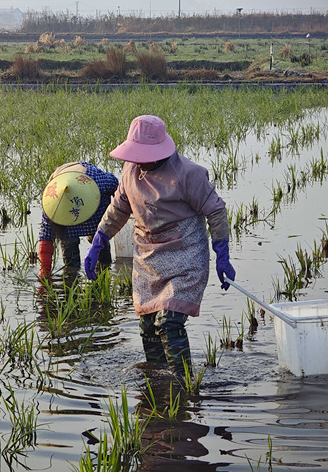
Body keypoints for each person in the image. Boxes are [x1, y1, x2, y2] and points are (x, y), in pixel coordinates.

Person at [84, 115, 235, 374]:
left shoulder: (189, 174)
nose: (140, 160)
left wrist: (222, 253)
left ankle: (184, 383)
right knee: (148, 326)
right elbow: (118, 208)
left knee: (169, 322)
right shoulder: (130, 171)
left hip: (185, 255)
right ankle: (157, 383)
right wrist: (99, 241)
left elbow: (216, 211)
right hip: (147, 258)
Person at [38, 161, 118, 277]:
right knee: (70, 247)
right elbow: (45, 239)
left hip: (95, 209)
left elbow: (116, 186)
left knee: (100, 242)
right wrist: (44, 275)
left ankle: (104, 271)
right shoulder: (52, 202)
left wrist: (120, 209)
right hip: (63, 197)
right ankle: (71, 278)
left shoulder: (98, 182)